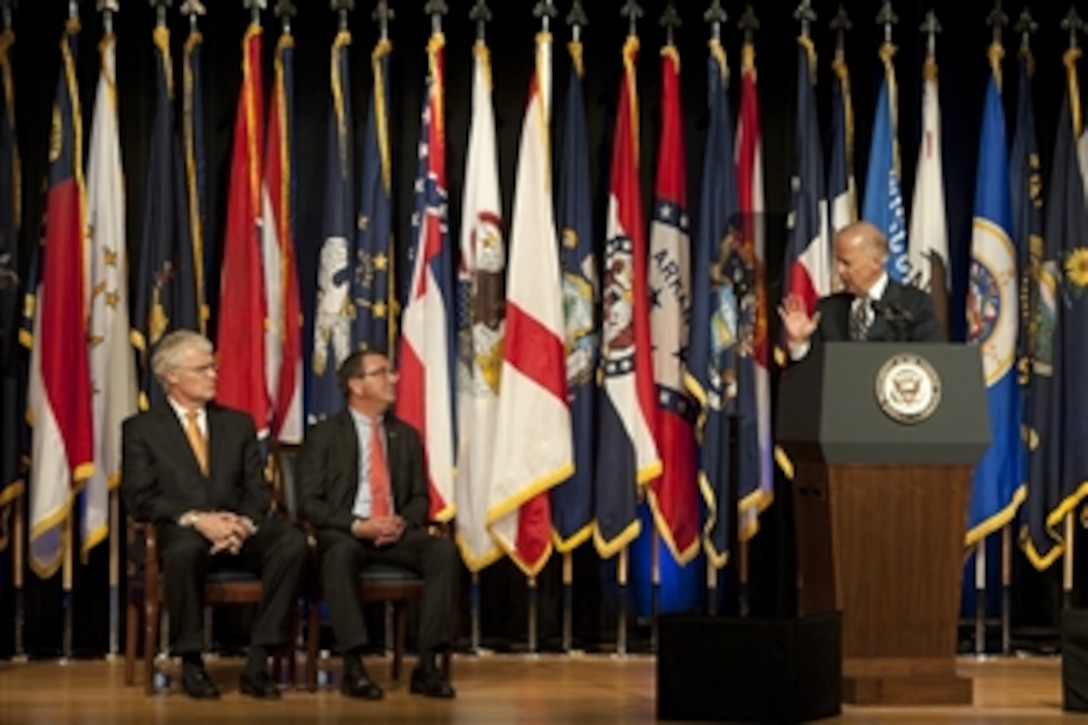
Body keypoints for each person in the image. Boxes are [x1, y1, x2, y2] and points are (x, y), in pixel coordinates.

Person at [121, 329, 308, 700]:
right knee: (185, 550)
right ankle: (191, 662)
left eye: (213, 367)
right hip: (179, 530)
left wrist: (242, 523)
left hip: (237, 528)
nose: (213, 375)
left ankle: (258, 661)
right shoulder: (141, 429)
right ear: (172, 375)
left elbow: (257, 489)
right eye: (203, 368)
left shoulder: (236, 423)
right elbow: (140, 498)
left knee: (291, 542)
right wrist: (197, 519)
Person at [298, 349, 458, 700]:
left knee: (443, 551)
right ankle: (353, 666)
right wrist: (358, 525)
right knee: (339, 556)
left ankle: (428, 664)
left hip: (395, 533)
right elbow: (309, 503)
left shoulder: (405, 436)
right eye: (382, 372)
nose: (393, 378)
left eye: (391, 371)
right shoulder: (324, 435)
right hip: (347, 533)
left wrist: (402, 521)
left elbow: (419, 497)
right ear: (356, 385)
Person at [778, 220, 943, 359]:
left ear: (877, 262)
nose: (839, 271)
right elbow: (811, 374)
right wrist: (800, 343)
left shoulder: (916, 305)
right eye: (837, 262)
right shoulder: (827, 309)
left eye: (846, 263)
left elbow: (928, 364)